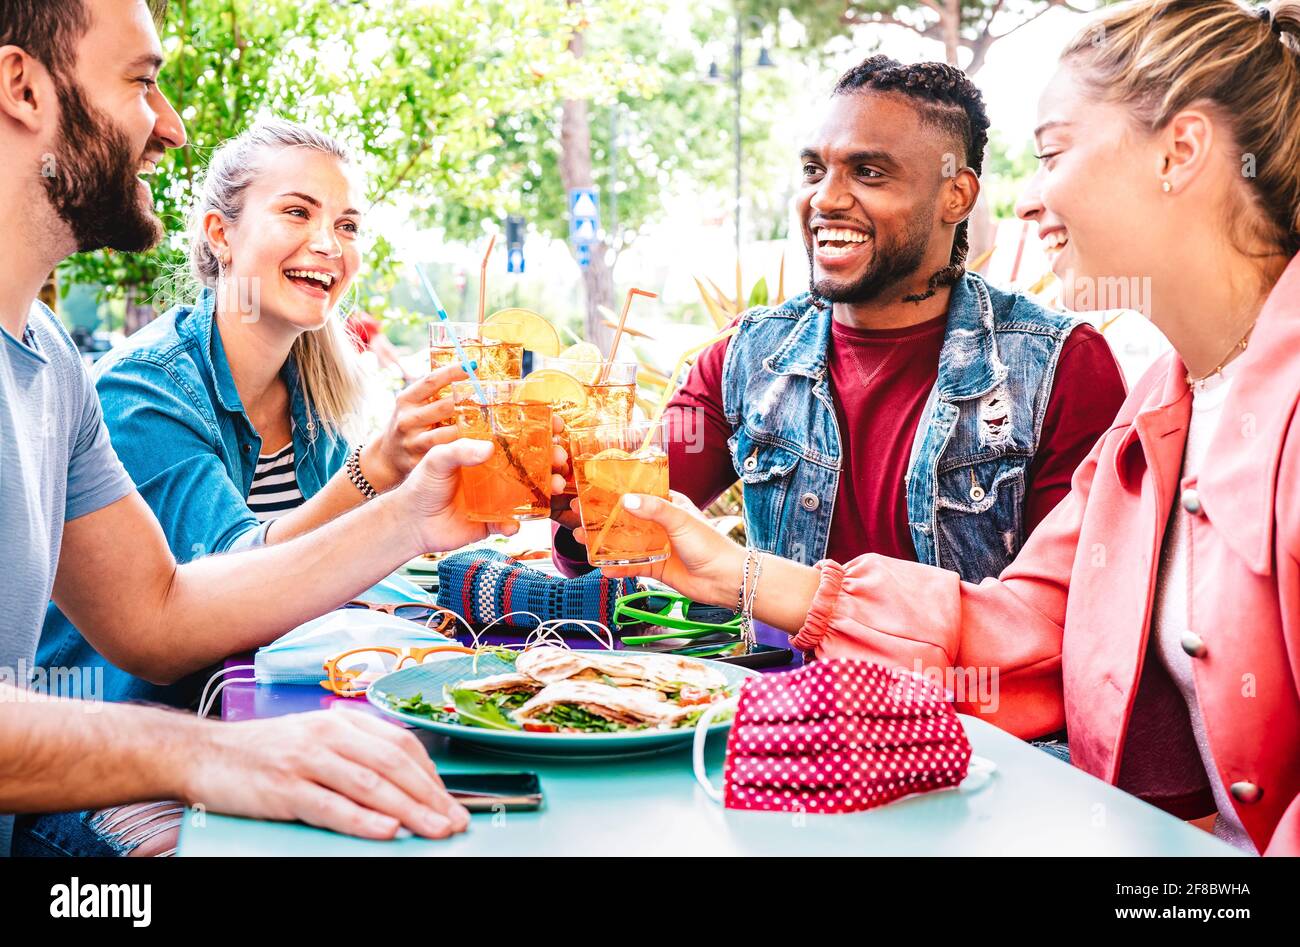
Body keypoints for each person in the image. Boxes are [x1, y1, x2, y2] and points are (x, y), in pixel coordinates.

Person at [579, 0, 1300, 856]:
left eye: (1054, 154)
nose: (1030, 200)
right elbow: (1022, 633)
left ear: (1180, 153)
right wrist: (729, 570)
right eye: (814, 167)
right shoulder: (1157, 415)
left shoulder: (1084, 370)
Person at [0, 0, 560, 856]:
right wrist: (213, 754)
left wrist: (411, 517)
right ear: (22, 88)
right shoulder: (142, 383)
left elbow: (157, 613)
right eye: (142, 82)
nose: (172, 128)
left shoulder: (53, 364)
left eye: (343, 223)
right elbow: (175, 642)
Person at [555, 54, 1126, 606]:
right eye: (813, 171)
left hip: (962, 705)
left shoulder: (1060, 366)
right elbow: (616, 530)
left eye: (869, 173)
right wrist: (567, 495)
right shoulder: (746, 355)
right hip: (774, 701)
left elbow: (1068, 613)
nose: (824, 199)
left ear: (957, 195)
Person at [37, 120, 480, 712]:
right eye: (298, 212)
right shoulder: (144, 389)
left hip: (267, 709)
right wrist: (374, 471)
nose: (329, 243)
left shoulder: (315, 389)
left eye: (347, 226)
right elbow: (230, 580)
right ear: (221, 234)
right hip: (125, 740)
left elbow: (332, 571)